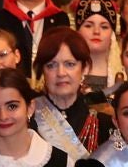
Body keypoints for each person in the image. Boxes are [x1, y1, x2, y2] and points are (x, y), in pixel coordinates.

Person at [31, 28, 111, 157]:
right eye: (51, 65)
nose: (61, 73)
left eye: (70, 64)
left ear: (85, 68)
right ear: (42, 71)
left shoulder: (103, 123)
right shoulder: (29, 118)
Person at [75, 0, 120, 97]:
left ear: (112, 34)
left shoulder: (123, 75)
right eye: (89, 26)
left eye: (104, 27)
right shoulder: (64, 73)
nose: (96, 31)